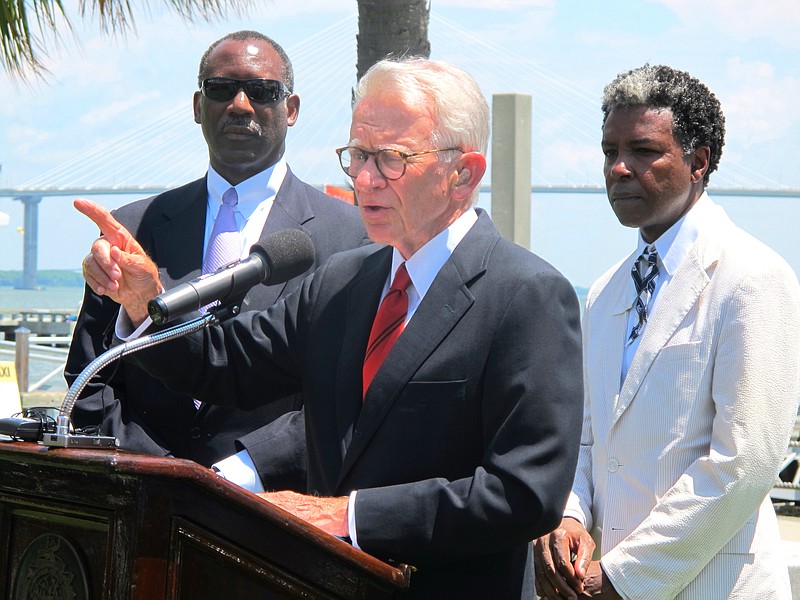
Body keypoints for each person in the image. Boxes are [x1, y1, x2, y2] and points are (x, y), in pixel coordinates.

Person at [75, 57, 584, 598]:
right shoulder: (343, 280)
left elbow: (524, 493)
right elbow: (226, 367)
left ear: (465, 174)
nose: (365, 180)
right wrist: (142, 299)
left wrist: (350, 516)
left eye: (391, 159)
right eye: (358, 155)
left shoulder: (527, 295)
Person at [534, 64, 800, 599]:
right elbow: (587, 437)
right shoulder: (606, 291)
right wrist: (568, 517)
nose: (619, 168)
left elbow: (744, 463)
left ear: (698, 161)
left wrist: (622, 576)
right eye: (610, 151)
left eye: (643, 150)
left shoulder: (752, 276)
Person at [65, 30, 368, 478]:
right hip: (139, 495)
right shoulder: (132, 229)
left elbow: (346, 396)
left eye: (263, 91)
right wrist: (153, 470)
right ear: (196, 106)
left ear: (292, 109)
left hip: (272, 511)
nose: (241, 105)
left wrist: (243, 474)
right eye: (221, 89)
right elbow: (89, 380)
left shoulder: (352, 238)